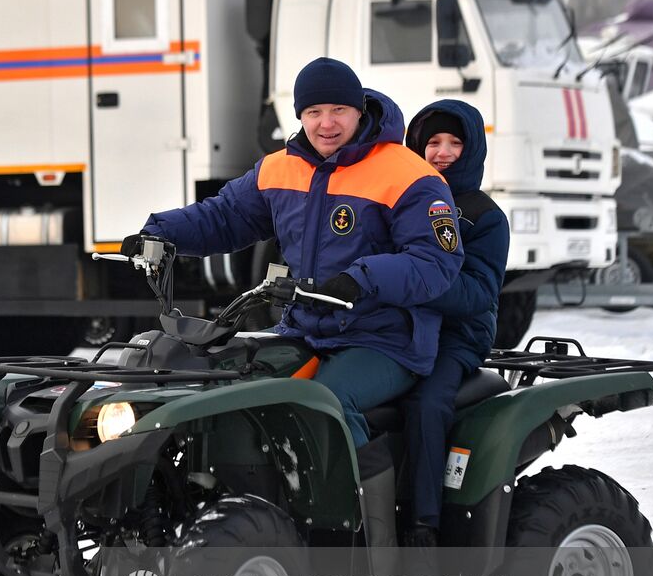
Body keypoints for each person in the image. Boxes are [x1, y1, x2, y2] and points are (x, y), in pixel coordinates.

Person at [125, 57, 463, 551]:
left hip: (385, 338)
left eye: (339, 110)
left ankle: (369, 548)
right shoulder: (280, 168)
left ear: (359, 109)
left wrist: (360, 279)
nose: (327, 123)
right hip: (305, 329)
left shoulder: (408, 174)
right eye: (315, 111)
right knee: (233, 385)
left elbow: (437, 262)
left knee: (327, 404)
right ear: (300, 114)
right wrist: (159, 232)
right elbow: (225, 217)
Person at [400, 100, 510, 548]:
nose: (443, 152)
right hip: (397, 327)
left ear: (472, 149)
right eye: (432, 142)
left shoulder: (485, 217)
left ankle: (423, 524)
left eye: (454, 142)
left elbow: (480, 291)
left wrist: (413, 285)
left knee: (427, 404)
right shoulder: (402, 200)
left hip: (457, 335)